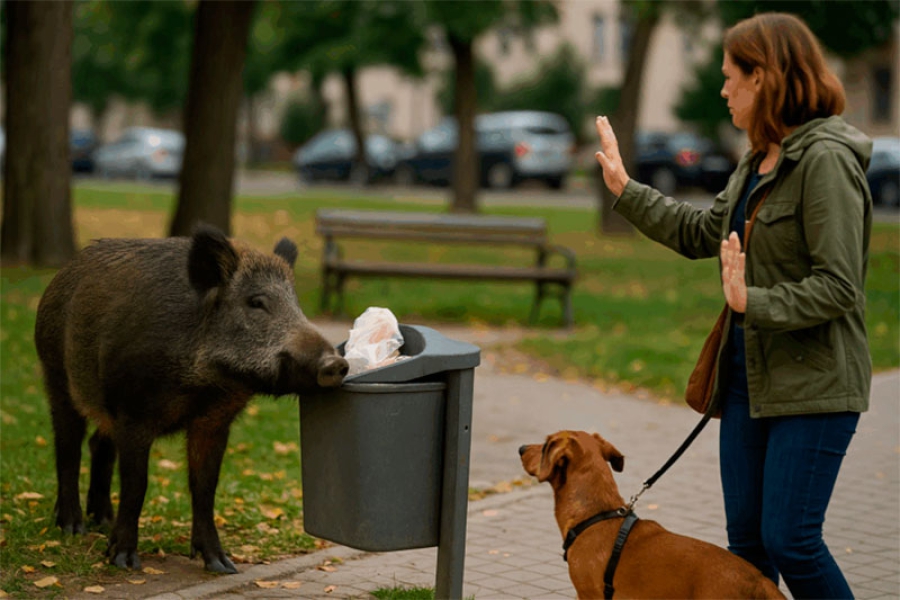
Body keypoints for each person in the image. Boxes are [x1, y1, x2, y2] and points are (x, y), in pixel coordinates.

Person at [594, 12, 873, 600]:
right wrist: (625, 189)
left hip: (814, 386)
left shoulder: (825, 160)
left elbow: (841, 284)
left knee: (791, 540)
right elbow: (703, 232)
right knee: (745, 548)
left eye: (730, 77)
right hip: (748, 381)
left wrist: (755, 300)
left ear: (763, 76)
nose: (723, 89)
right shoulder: (758, 159)